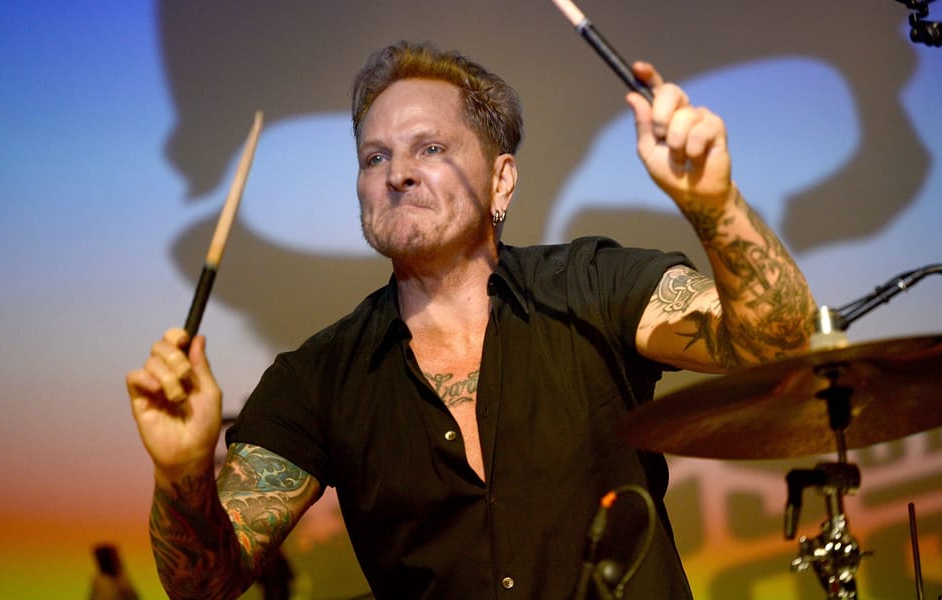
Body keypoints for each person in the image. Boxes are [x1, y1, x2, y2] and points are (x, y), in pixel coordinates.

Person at [126, 41, 815, 599]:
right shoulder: (317, 379)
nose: (397, 173)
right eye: (375, 157)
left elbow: (778, 343)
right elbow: (202, 583)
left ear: (502, 182)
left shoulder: (595, 285)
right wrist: (183, 471)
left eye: (430, 148)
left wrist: (715, 205)